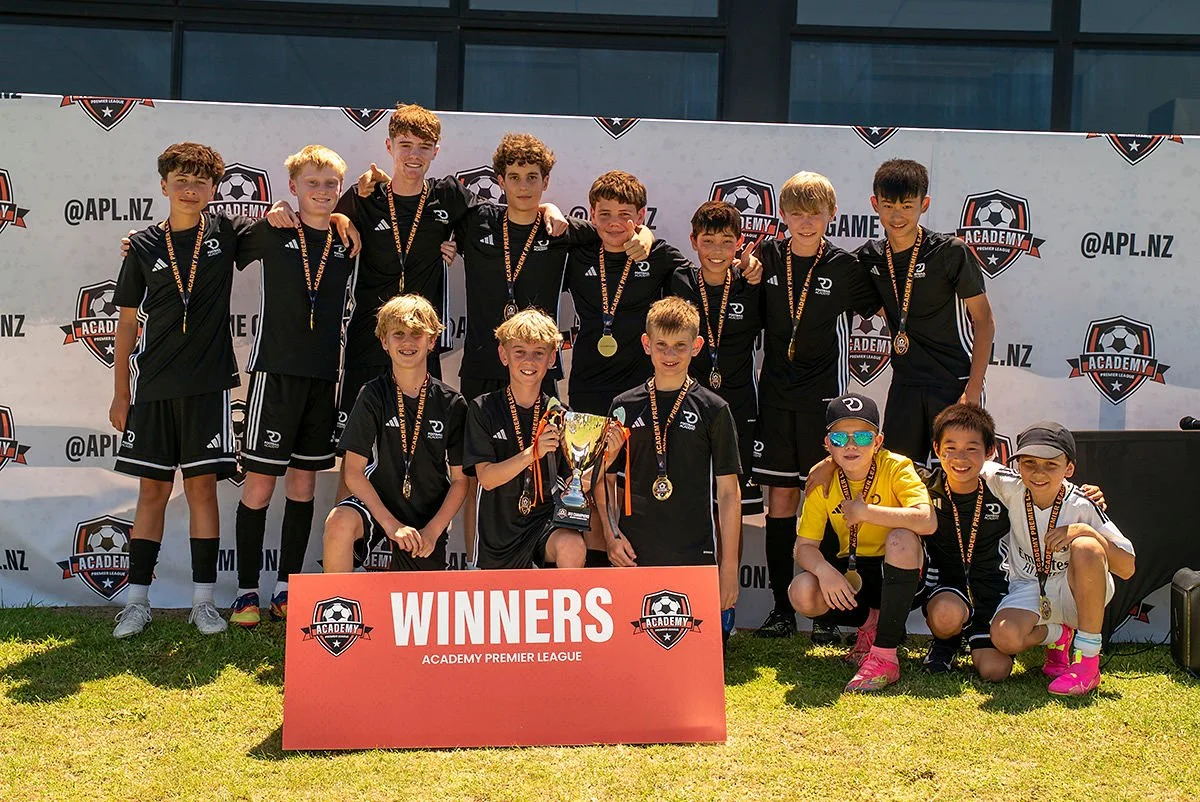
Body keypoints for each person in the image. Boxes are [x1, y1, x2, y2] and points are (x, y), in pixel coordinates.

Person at [452, 133, 651, 567]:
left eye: (533, 178)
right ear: (500, 180)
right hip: (483, 365)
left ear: (546, 182)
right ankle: (474, 566)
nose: (524, 186)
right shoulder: (476, 220)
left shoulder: (562, 232)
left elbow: (618, 230)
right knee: (474, 479)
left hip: (539, 370)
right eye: (514, 177)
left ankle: (540, 560)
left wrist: (646, 235)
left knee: (551, 469)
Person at [108, 142, 252, 638]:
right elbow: (127, 324)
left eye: (200, 181)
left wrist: (335, 216)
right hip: (153, 387)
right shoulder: (143, 245)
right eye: (181, 180)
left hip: (208, 387)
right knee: (152, 491)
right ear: (164, 185)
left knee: (201, 490)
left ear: (214, 189)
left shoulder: (228, 232)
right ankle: (136, 603)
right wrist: (121, 393)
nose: (190, 189)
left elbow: (287, 231)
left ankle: (203, 602)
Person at [228, 145, 357, 626]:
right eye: (312, 183)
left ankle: (287, 587)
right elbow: (215, 240)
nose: (322, 192)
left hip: (323, 379)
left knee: (303, 486)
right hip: (275, 376)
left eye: (330, 184)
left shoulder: (347, 238)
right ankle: (245, 591)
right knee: (260, 485)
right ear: (293, 187)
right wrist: (273, 209)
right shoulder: (273, 228)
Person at [752, 172, 882, 642]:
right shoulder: (766, 257)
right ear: (782, 215)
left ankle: (827, 613)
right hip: (774, 397)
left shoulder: (845, 266)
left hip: (826, 402)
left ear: (832, 215)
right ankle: (780, 610)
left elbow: (887, 307)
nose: (806, 223)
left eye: (815, 214)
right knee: (781, 501)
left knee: (824, 496)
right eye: (796, 214)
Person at [598, 297, 742, 640]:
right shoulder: (624, 405)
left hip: (695, 552)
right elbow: (604, 478)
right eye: (661, 344)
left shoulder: (714, 409)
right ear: (646, 344)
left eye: (680, 345)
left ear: (697, 346)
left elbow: (728, 493)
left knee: (694, 654)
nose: (670, 354)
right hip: (635, 552)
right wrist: (611, 536)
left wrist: (728, 568)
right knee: (634, 652)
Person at [787, 393, 936, 692]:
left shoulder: (896, 467)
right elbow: (803, 547)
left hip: (900, 572)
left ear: (878, 442)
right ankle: (870, 626)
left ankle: (885, 657)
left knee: (902, 539)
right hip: (855, 571)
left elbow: (927, 521)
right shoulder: (823, 479)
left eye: (863, 437)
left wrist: (866, 512)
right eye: (840, 438)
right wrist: (824, 571)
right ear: (828, 444)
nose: (852, 445)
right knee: (802, 591)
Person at [855, 159, 995, 467]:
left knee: (955, 476)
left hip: (954, 382)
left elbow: (984, 321)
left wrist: (972, 391)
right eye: (888, 206)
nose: (897, 216)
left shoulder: (949, 252)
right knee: (899, 474)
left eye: (907, 206)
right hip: (905, 384)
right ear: (875, 204)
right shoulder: (870, 257)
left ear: (924, 204)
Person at [322, 294, 468, 574]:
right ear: (384, 342)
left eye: (416, 334)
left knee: (418, 598)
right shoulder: (372, 394)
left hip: (425, 515)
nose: (407, 342)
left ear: (432, 341)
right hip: (378, 504)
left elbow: (461, 481)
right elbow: (353, 472)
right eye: (398, 334)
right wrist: (391, 525)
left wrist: (433, 530)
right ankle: (336, 600)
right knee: (339, 521)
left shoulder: (451, 403)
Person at [986, 422, 1135, 696]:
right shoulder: (1010, 485)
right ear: (1018, 465)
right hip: (1031, 587)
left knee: (1087, 546)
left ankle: (1087, 663)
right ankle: (1059, 634)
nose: (1038, 472)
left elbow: (1127, 568)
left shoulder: (1082, 503)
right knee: (1005, 638)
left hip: (1076, 590)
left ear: (1069, 469)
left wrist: (1085, 530)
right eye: (1029, 463)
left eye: (1051, 465)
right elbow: (971, 463)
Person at [464, 309, 601, 569]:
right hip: (498, 533)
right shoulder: (483, 408)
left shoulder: (560, 414)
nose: (529, 361)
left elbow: (574, 483)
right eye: (519, 352)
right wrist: (533, 453)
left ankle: (567, 597)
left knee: (571, 545)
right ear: (504, 355)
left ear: (552, 358)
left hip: (544, 525)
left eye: (539, 353)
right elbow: (487, 478)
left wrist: (606, 457)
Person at [563, 171, 695, 417]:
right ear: (592, 214)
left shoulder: (657, 255)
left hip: (642, 387)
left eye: (624, 215)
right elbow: (542, 221)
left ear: (641, 216)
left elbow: (705, 278)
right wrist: (548, 207)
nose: (614, 223)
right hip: (587, 384)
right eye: (605, 214)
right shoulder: (578, 252)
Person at [670, 200, 763, 518]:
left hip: (739, 407)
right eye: (708, 241)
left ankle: (728, 557)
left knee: (732, 506)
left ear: (739, 243)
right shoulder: (677, 279)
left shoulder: (752, 283)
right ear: (693, 241)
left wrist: (754, 268)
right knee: (687, 505)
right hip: (688, 406)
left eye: (726, 241)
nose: (717, 251)